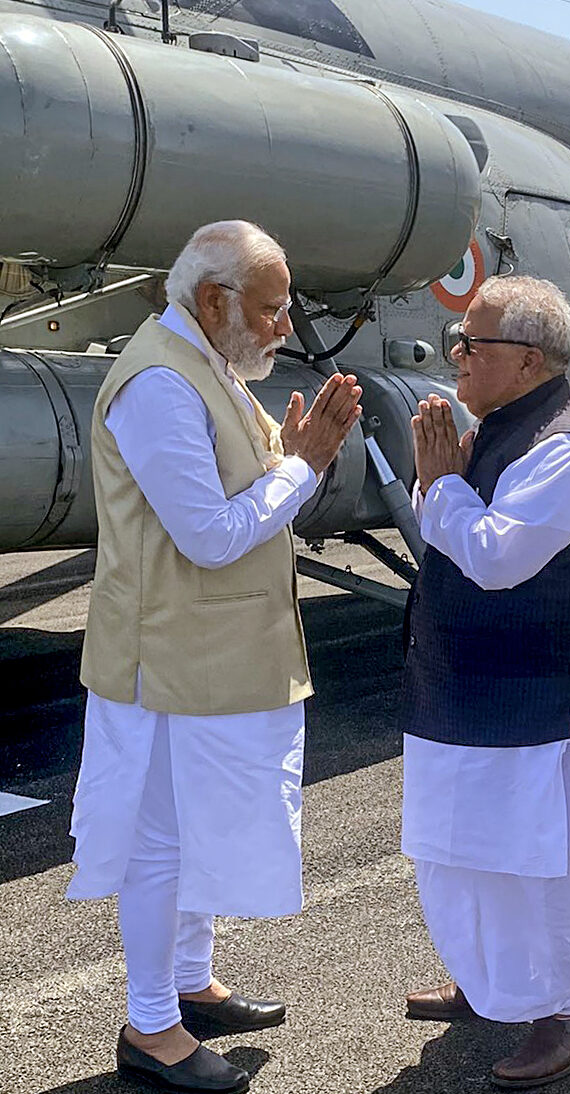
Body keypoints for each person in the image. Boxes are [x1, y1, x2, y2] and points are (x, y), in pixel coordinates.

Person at [69, 220, 361, 1094]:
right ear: (212, 300)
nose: (284, 325)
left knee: (199, 830)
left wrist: (290, 457)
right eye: (271, 309)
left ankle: (189, 983)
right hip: (167, 662)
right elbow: (207, 535)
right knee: (161, 843)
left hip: (214, 657)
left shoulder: (210, 365)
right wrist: (302, 468)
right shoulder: (162, 383)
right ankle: (150, 1025)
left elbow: (235, 497)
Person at [399, 275, 570, 1089]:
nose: (454, 355)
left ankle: (568, 1015)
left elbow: (496, 555)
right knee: (467, 851)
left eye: (473, 342)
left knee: (549, 867)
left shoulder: (565, 448)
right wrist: (444, 488)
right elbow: (455, 533)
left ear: (529, 360)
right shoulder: (501, 429)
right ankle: (492, 983)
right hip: (472, 695)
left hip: (547, 704)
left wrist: (440, 487)